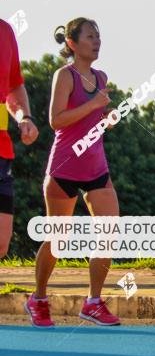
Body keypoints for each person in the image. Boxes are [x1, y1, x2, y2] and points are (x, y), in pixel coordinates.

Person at [24, 19, 121, 327]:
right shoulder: (64, 76)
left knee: (108, 233)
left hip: (96, 168)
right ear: (72, 43)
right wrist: (94, 103)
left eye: (99, 36)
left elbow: (91, 121)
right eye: (90, 36)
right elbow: (56, 120)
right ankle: (38, 298)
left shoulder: (101, 76)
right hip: (65, 167)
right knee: (58, 239)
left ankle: (93, 302)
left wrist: (106, 117)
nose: (97, 41)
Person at [0, 0, 40, 258]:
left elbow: (14, 85)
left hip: (2, 149)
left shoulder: (6, 32)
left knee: (1, 242)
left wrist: (23, 116)